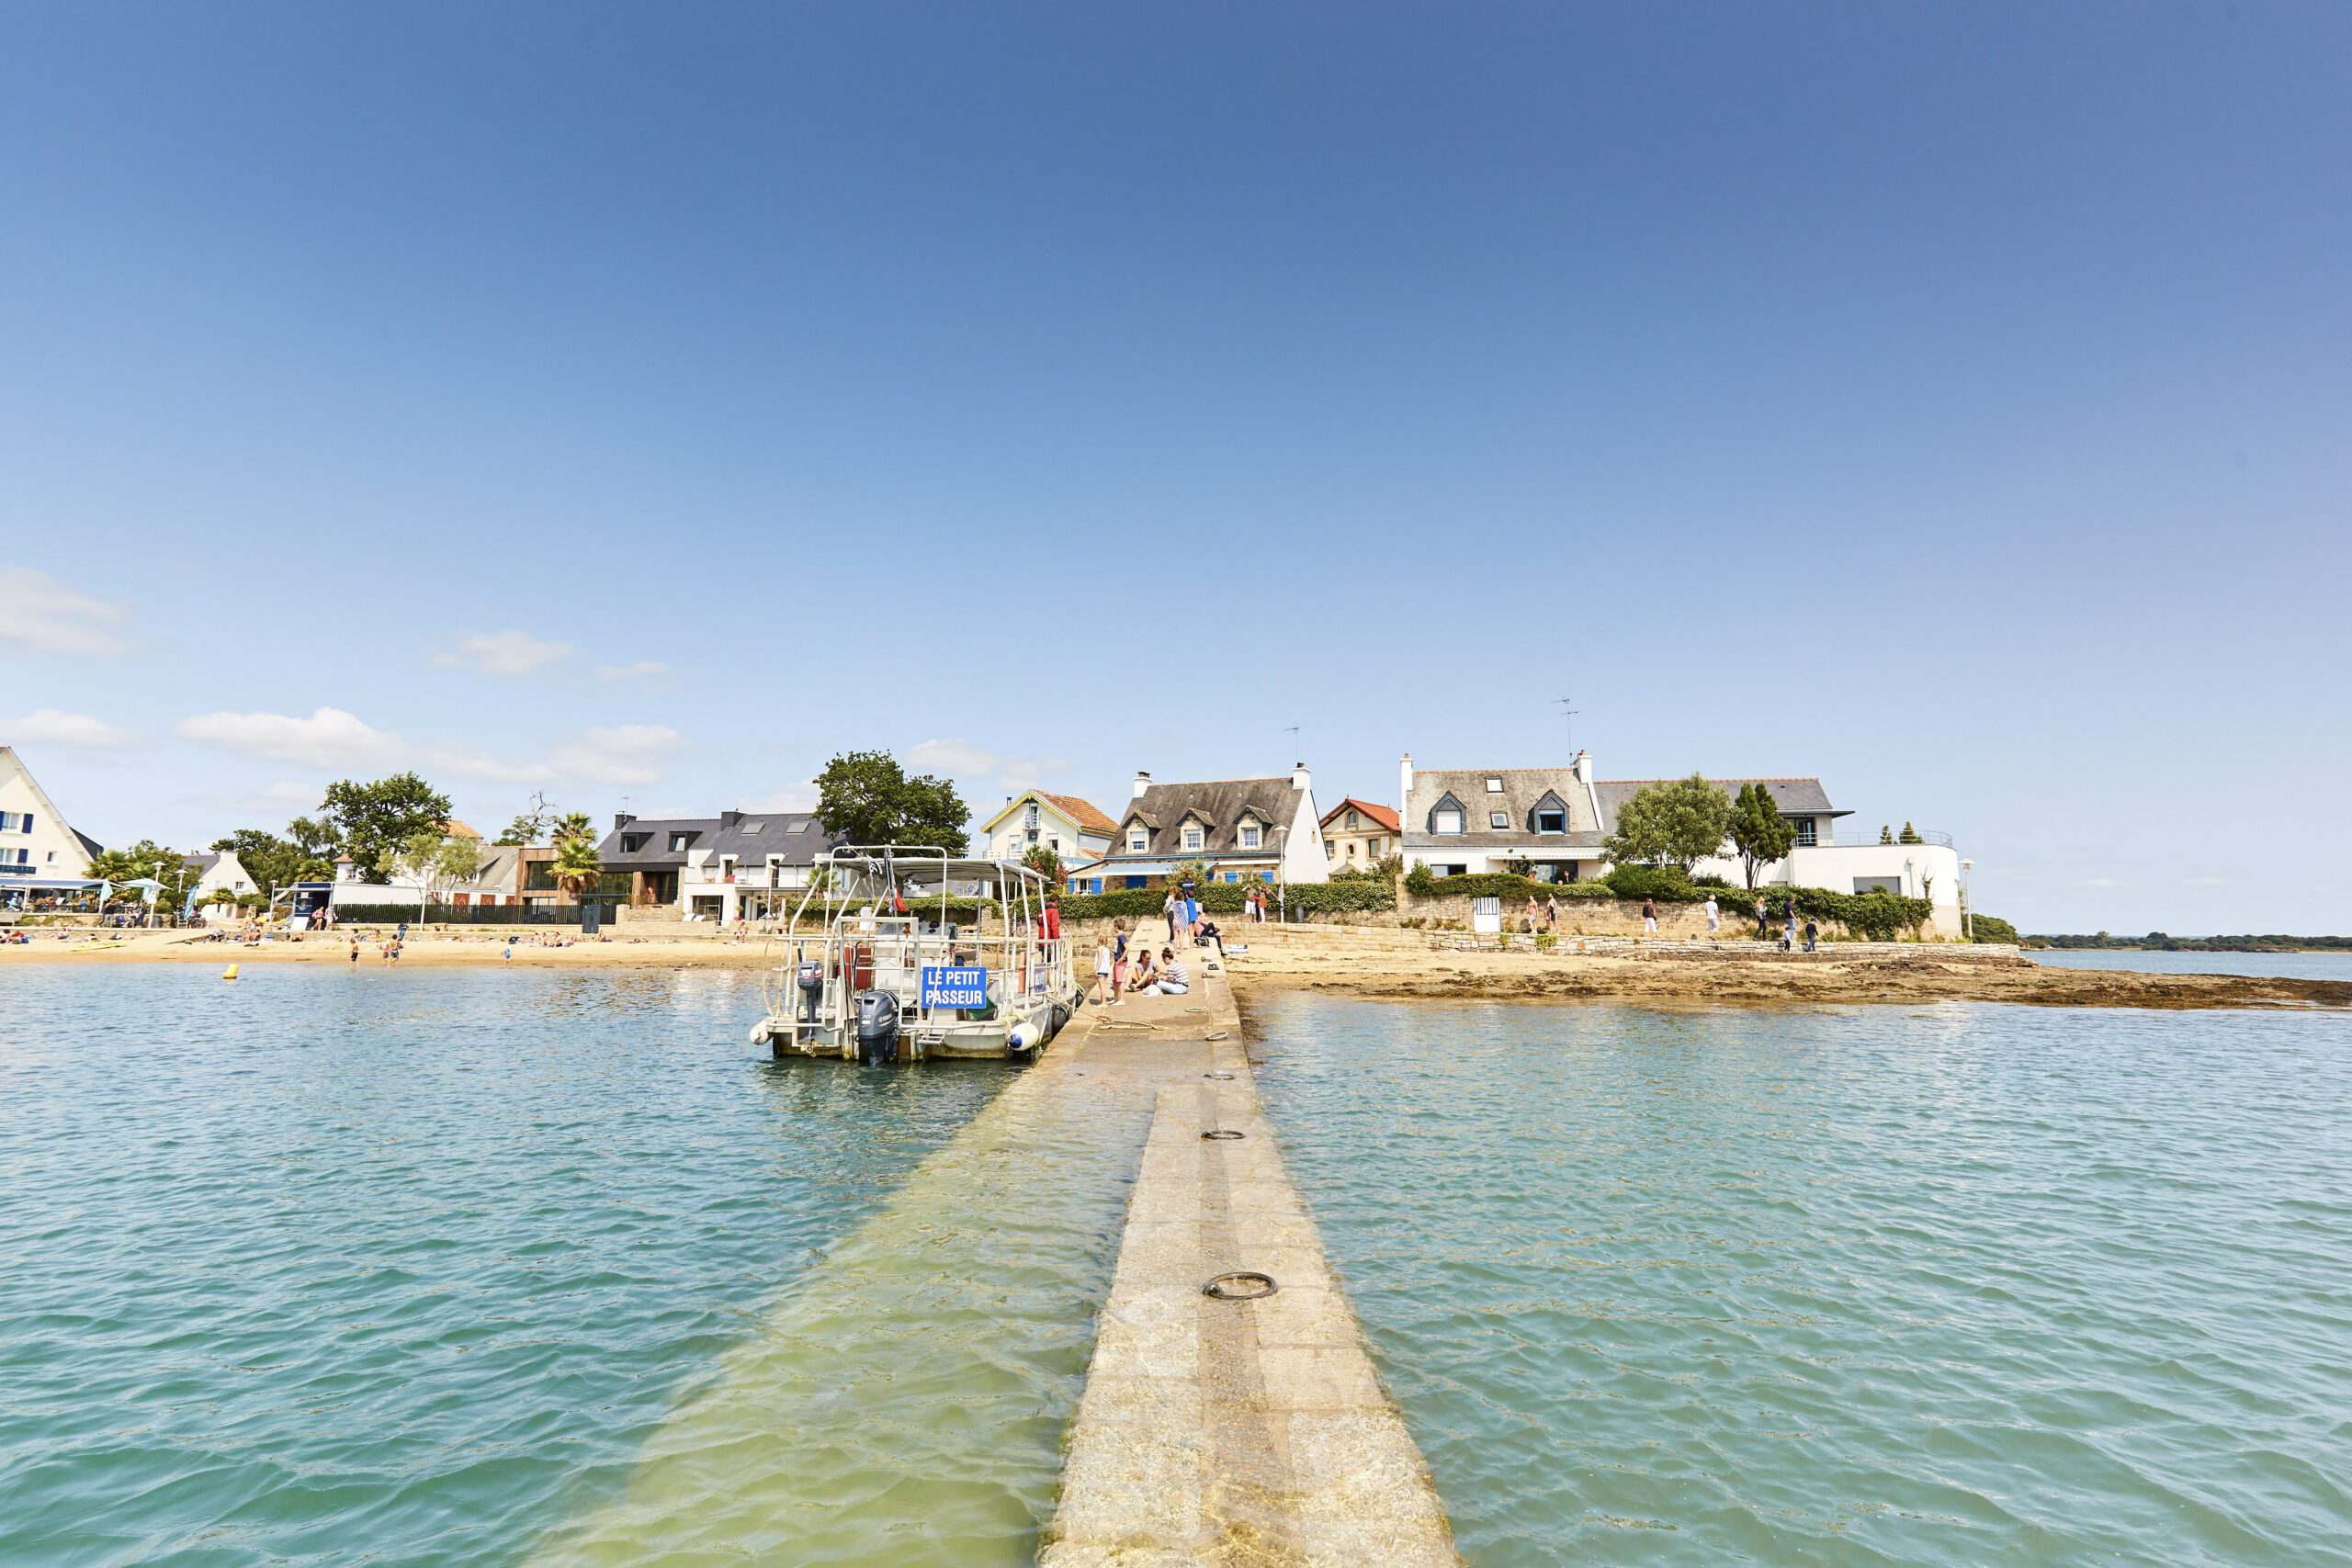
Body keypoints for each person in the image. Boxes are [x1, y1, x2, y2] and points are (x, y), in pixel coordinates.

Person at [1111, 917, 1129, 1004]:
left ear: (1116, 927)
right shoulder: (1119, 936)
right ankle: (1116, 998)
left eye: (1114, 927)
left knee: (1120, 980)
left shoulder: (1122, 936)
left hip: (1120, 962)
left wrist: (1121, 959)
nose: (1113, 929)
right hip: (1116, 961)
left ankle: (1122, 999)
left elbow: (1127, 948)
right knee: (1114, 980)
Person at [1092, 934, 1112, 1002]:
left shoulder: (1100, 948)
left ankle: (1104, 1002)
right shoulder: (1107, 948)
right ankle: (1102, 1001)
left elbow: (1099, 959)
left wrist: (1096, 970)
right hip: (1105, 969)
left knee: (1102, 986)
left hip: (1101, 969)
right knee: (1103, 986)